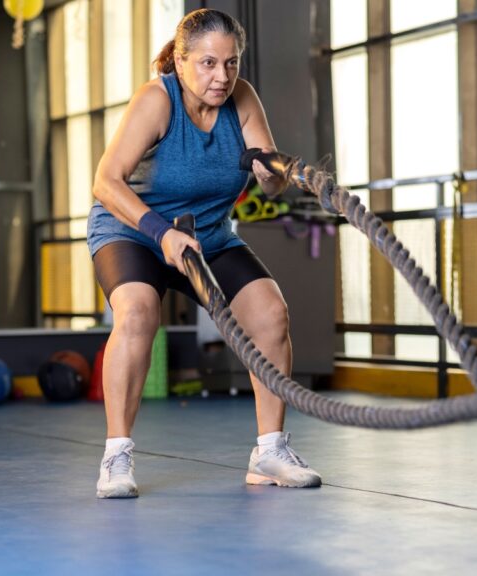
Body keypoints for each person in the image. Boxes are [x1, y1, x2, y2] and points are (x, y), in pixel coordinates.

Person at [87, 9, 320, 499]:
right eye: (209, 64)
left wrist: (272, 176)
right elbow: (105, 182)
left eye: (231, 63)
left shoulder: (243, 99)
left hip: (208, 236)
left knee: (271, 315)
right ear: (180, 59)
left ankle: (270, 451)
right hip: (134, 231)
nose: (222, 76)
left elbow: (271, 182)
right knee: (137, 312)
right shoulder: (156, 100)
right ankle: (116, 455)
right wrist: (160, 232)